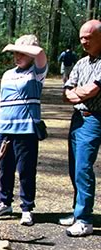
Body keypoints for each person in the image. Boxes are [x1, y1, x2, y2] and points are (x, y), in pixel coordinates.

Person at [0, 35, 48, 226]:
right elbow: (1, 103)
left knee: (26, 170)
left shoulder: (37, 72)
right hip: (4, 128)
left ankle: (27, 208)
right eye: (15, 53)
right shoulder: (7, 74)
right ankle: (5, 202)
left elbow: (40, 54)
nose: (17, 56)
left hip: (26, 130)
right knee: (5, 169)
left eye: (22, 53)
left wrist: (25, 49)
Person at [61, 19, 101, 237]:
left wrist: (77, 93)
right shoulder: (81, 63)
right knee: (74, 167)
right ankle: (78, 213)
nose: (84, 42)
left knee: (84, 167)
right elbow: (67, 92)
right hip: (77, 118)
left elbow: (90, 92)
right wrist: (76, 93)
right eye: (81, 38)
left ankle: (85, 219)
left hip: (95, 119)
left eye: (89, 37)